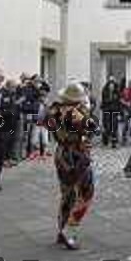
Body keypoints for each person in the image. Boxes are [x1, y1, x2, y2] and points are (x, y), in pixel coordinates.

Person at [46, 83, 95, 250]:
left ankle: (61, 231)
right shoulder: (76, 113)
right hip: (76, 155)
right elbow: (91, 128)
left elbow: (53, 130)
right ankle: (69, 229)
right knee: (86, 193)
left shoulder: (54, 111)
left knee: (67, 194)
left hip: (61, 155)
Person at [100, 76, 121, 148]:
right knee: (107, 125)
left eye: (112, 83)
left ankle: (114, 141)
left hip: (114, 110)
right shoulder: (105, 90)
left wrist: (119, 112)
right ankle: (105, 139)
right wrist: (111, 99)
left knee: (114, 126)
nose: (111, 85)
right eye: (110, 83)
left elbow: (118, 101)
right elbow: (104, 100)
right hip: (107, 110)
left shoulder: (117, 91)